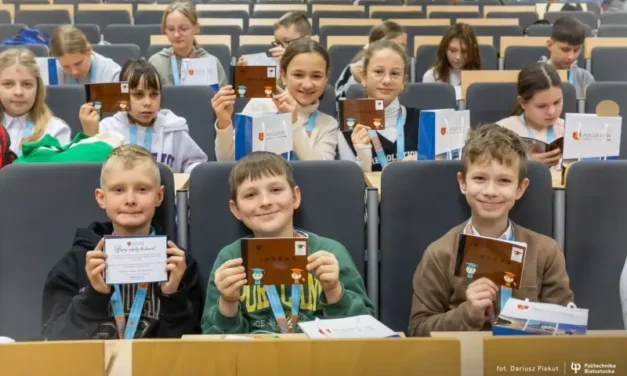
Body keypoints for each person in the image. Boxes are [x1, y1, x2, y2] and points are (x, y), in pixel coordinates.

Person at [408, 124, 573, 337]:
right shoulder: (440, 253)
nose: (490, 191)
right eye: (480, 178)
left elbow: (564, 333)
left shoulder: (546, 251)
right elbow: (417, 330)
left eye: (504, 181)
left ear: (520, 188)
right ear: (463, 183)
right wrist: (467, 313)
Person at [41, 144, 204, 340]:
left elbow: (195, 350)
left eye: (142, 189)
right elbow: (52, 342)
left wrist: (173, 296)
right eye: (118, 190)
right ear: (102, 198)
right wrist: (94, 296)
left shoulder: (180, 264)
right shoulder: (76, 263)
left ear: (159, 196)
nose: (130, 199)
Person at [201, 151, 375, 334]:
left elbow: (365, 330)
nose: (265, 202)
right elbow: (213, 340)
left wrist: (334, 290)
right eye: (250, 195)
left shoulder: (329, 253)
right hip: (253, 359)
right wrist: (228, 302)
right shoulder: (230, 259)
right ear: (236, 209)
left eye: (276, 190)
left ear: (295, 197)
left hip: (319, 357)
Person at [212, 38, 338, 161]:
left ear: (326, 78)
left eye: (316, 76)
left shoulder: (328, 124)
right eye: (298, 75)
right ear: (283, 75)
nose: (307, 84)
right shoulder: (260, 105)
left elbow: (321, 172)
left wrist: (294, 123)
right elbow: (227, 161)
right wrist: (224, 122)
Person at [78, 59, 208, 173]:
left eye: (154, 94)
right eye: (138, 95)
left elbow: (195, 164)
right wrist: (91, 135)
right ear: (123, 95)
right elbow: (91, 173)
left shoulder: (173, 129)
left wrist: (188, 175)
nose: (147, 103)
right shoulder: (106, 129)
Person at [338, 40, 420, 172]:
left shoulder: (422, 120)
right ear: (363, 77)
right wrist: (363, 154)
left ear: (403, 82)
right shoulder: (348, 126)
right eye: (378, 72)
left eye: (395, 73)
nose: (387, 80)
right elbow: (350, 185)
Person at [0, 48, 70, 156]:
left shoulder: (55, 130)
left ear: (38, 88)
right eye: (8, 84)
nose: (18, 92)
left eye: (27, 84)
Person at [497, 63, 564, 169]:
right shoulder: (501, 132)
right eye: (541, 106)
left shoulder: (571, 130)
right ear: (522, 103)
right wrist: (524, 163)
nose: (552, 111)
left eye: (557, 102)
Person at [149, 1, 227, 87]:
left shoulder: (211, 63)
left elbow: (223, 99)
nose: (176, 35)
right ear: (165, 30)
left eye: (183, 29)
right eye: (171, 29)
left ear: (196, 28)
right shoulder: (155, 63)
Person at [334, 21, 407, 100]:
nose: (397, 50)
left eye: (402, 45)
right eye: (378, 72)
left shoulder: (404, 67)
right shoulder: (354, 70)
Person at [539, 16, 594, 99]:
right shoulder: (536, 75)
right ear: (550, 44)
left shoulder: (585, 78)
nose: (571, 57)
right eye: (565, 50)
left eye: (576, 50)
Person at [422, 23, 481, 99]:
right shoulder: (431, 77)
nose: (458, 57)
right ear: (445, 50)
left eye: (464, 51)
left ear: (472, 52)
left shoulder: (481, 79)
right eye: (453, 51)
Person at [50, 25, 121, 85]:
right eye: (66, 67)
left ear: (89, 50)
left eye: (78, 63)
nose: (74, 72)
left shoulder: (112, 73)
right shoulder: (50, 70)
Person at [239, 11, 312, 65]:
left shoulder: (318, 63)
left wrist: (293, 61)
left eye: (287, 42)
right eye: (278, 43)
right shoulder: (275, 65)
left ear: (306, 40)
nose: (280, 48)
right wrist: (244, 73)